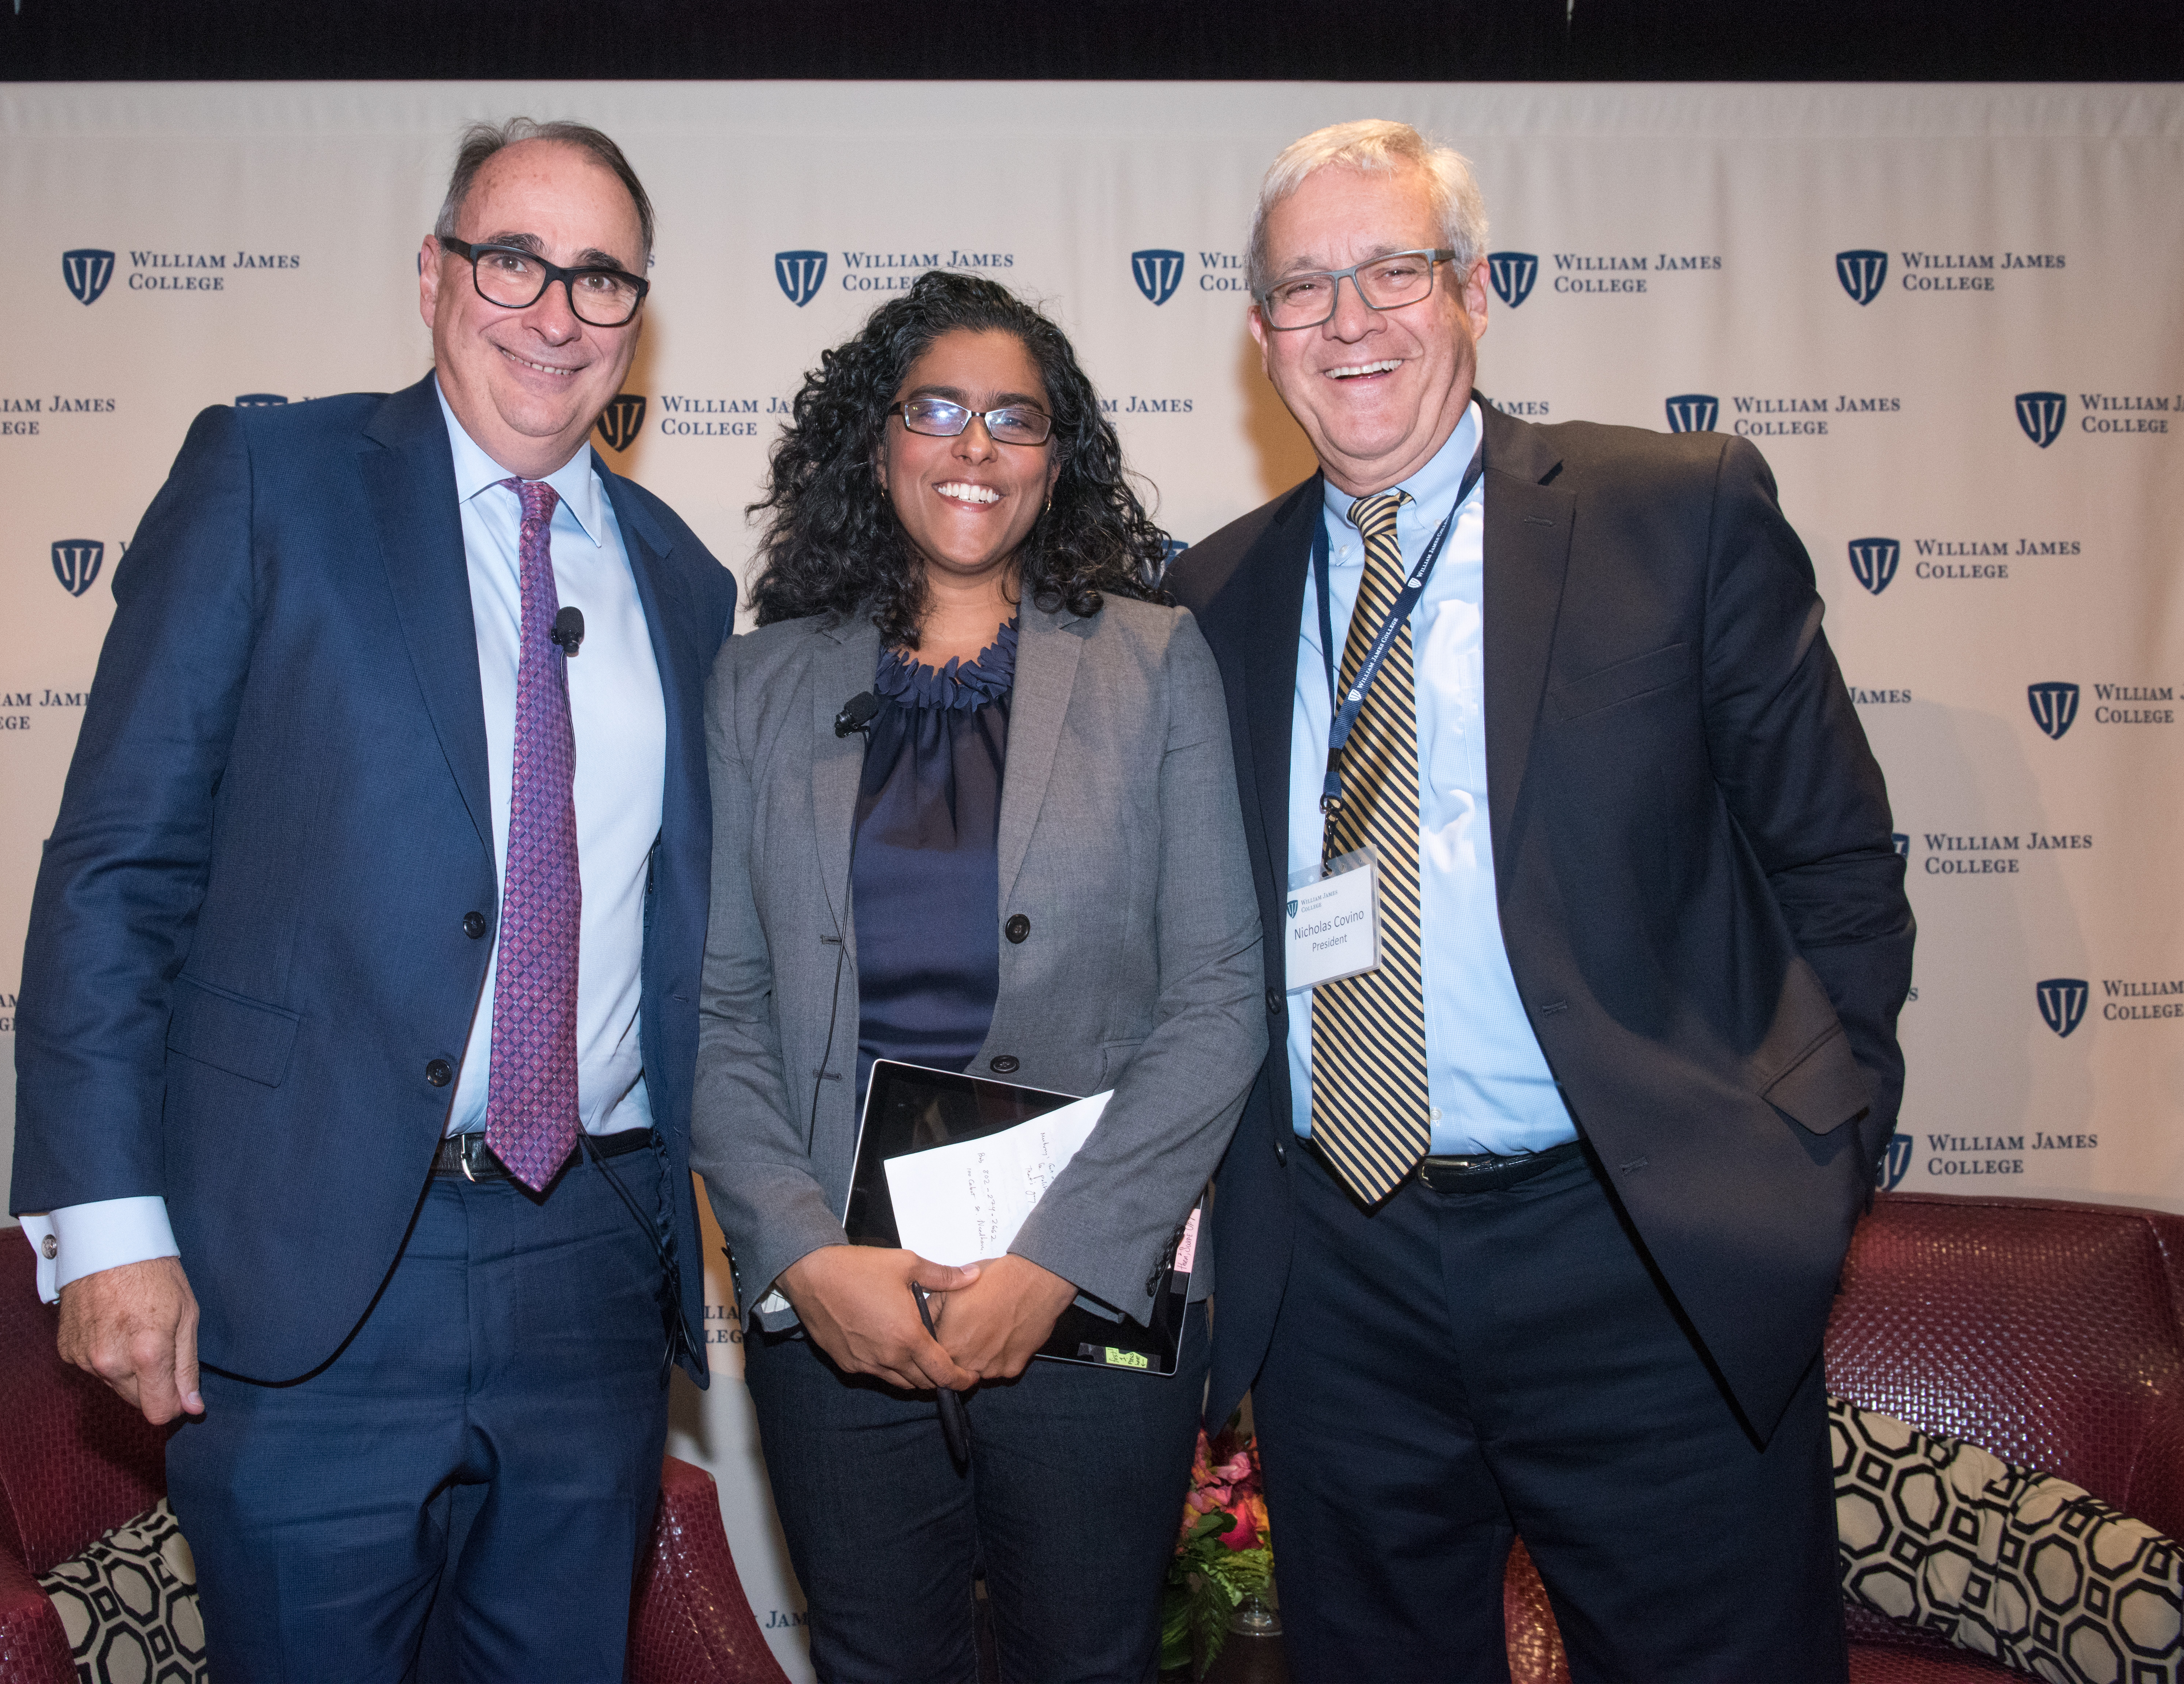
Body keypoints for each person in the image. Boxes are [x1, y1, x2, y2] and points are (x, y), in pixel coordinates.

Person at [1171, 121, 1915, 1682]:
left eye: (1392, 269)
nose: (1350, 319)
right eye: (1304, 288)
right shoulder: (1211, 597)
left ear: (1477, 288)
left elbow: (1835, 863)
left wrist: (1813, 1159)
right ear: (1258, 336)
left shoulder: (1674, 510)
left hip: (1637, 1245)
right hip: (1338, 1273)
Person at [9, 118, 735, 1678]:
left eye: (599, 276)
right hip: (306, 1264)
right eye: (513, 259)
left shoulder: (683, 576)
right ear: (433, 273)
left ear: (638, 312)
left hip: (591, 1260)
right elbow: (115, 869)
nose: (554, 310)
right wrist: (109, 1226)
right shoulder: (272, 477)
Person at [690, 269, 1266, 1683]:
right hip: (840, 1302)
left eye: (1015, 419)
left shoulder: (1155, 662)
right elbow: (716, 1008)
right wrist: (804, 1257)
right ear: (873, 438)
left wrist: (1060, 1260)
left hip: (1084, 1294)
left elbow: (1218, 996)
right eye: (935, 409)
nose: (973, 448)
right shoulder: (757, 686)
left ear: (1055, 460)